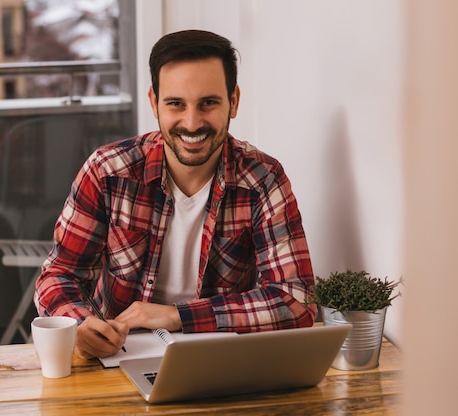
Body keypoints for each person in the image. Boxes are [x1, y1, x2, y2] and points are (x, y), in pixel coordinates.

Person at [34, 30, 316, 359]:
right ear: (154, 102)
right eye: (176, 104)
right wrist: (80, 325)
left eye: (208, 103)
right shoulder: (107, 172)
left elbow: (297, 301)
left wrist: (177, 315)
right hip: (119, 355)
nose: (192, 123)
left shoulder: (263, 179)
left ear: (233, 101)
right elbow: (59, 275)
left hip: (218, 357)